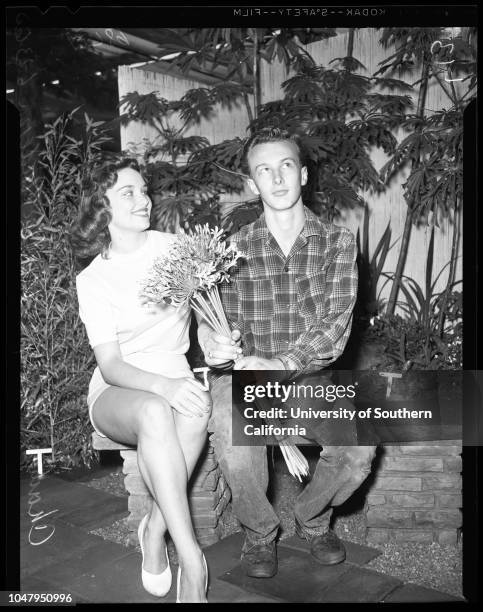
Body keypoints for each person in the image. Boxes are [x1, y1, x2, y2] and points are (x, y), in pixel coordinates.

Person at [197, 128, 376, 579]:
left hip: (307, 377)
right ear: (252, 185)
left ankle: (312, 518)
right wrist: (212, 339)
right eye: (263, 170)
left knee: (357, 449)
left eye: (286, 166)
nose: (276, 179)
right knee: (229, 427)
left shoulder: (336, 242)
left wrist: (281, 365)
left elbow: (334, 328)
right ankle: (259, 533)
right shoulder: (230, 251)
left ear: (304, 175)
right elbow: (220, 327)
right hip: (243, 380)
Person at [71, 157, 209, 603]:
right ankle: (193, 562)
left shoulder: (177, 248)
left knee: (195, 409)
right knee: (156, 410)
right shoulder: (94, 279)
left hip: (175, 373)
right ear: (101, 206)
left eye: (143, 190)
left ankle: (154, 528)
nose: (143, 199)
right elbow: (110, 365)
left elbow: (204, 318)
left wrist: (217, 340)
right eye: (127, 192)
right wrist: (165, 388)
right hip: (118, 389)